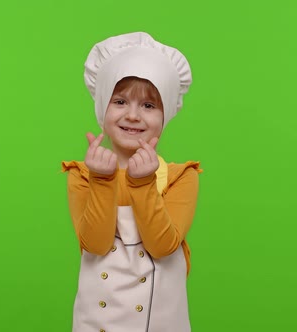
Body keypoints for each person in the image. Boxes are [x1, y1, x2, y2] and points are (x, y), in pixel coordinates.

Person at [62, 32, 201, 332]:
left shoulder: (181, 177)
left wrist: (142, 184)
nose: (133, 115)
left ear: (166, 115)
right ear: (103, 108)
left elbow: (162, 247)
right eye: (121, 101)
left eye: (149, 106)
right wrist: (101, 180)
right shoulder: (83, 176)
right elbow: (96, 245)